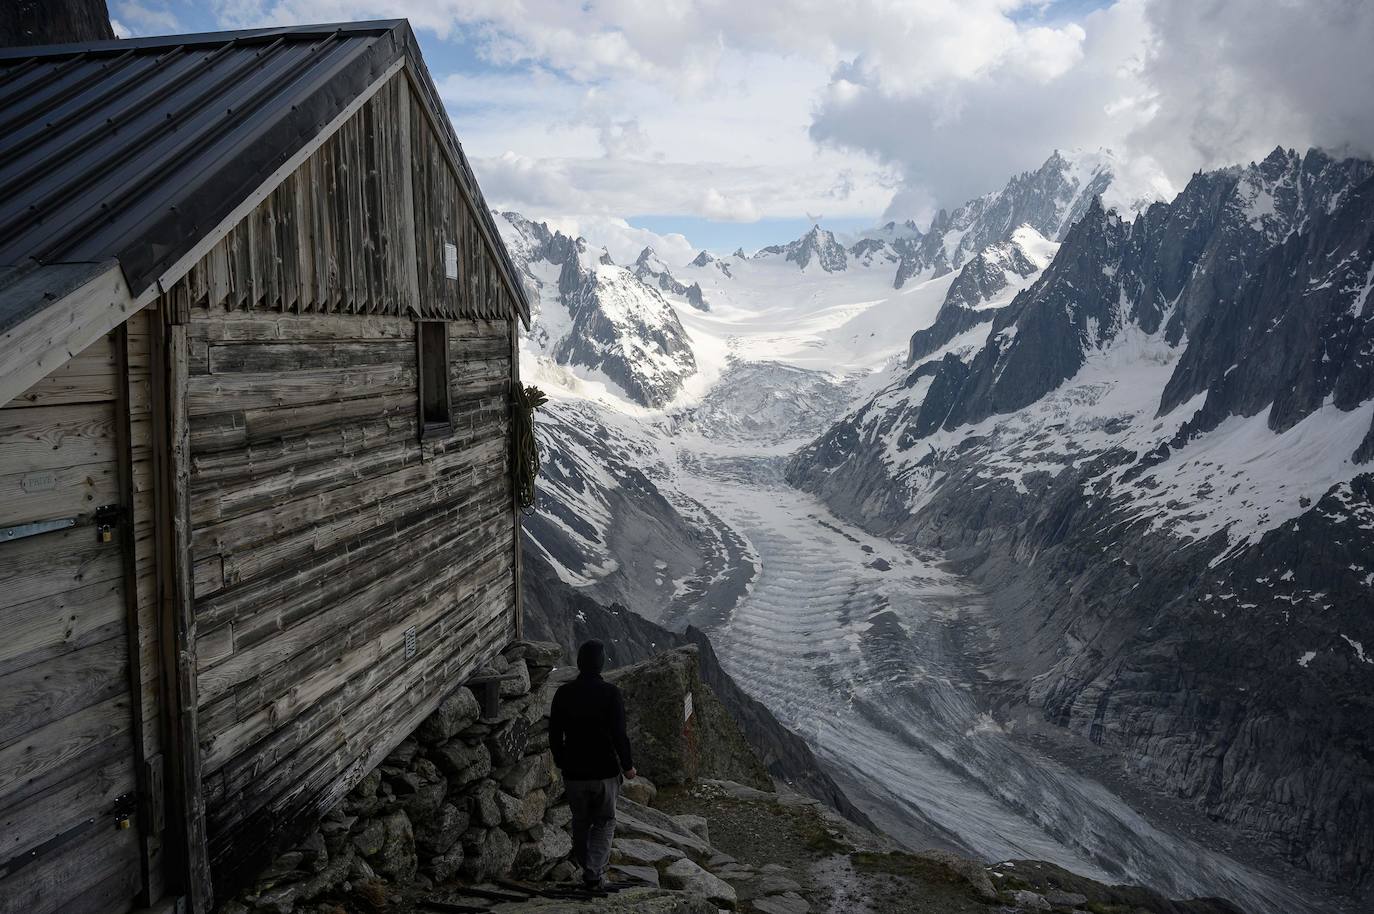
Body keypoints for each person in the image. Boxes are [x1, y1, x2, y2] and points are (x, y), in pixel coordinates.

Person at [548, 639, 637, 890]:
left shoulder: (563, 693)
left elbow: (554, 734)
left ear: (579, 662)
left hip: (574, 773)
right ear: (600, 664)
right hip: (604, 772)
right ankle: (594, 874)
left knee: (580, 822)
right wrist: (628, 766)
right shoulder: (610, 693)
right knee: (605, 822)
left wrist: (562, 760)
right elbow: (619, 734)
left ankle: (588, 868)